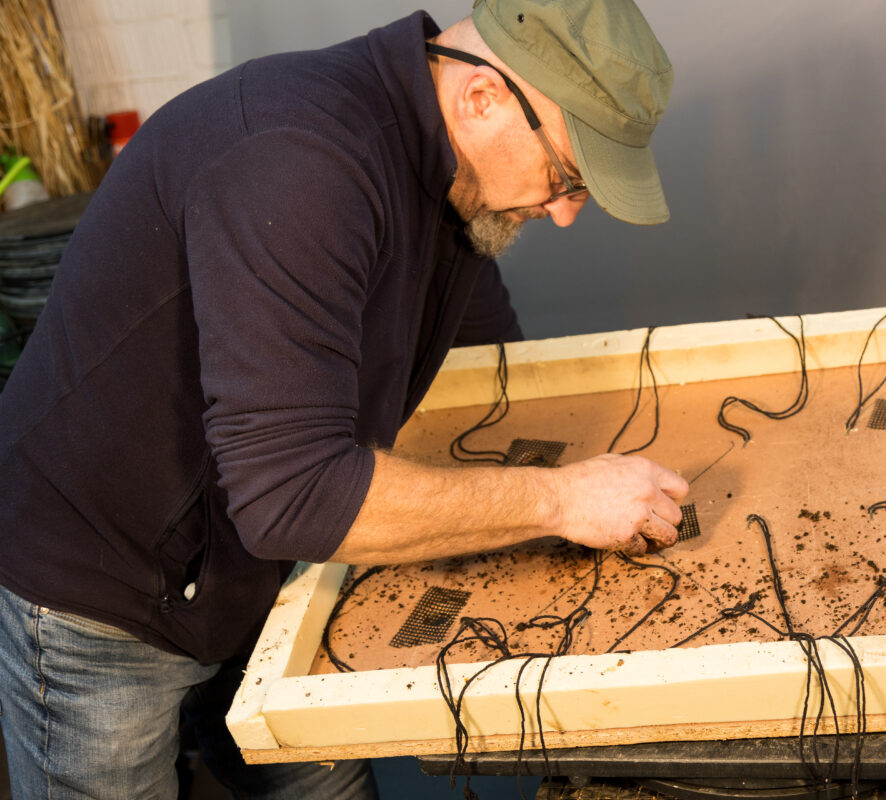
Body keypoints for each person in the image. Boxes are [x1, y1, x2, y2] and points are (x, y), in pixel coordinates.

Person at [0, 0, 684, 796]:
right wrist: (562, 501)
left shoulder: (451, 179)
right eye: (567, 175)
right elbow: (294, 496)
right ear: (482, 98)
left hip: (257, 562)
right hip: (102, 585)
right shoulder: (303, 164)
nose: (565, 212)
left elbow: (494, 369)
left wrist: (578, 495)